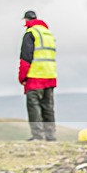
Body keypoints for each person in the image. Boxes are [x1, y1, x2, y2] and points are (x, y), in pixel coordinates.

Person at [18, 10, 57, 141]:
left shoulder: (31, 33)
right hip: (50, 76)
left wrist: (22, 77)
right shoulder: (47, 34)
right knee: (48, 108)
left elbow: (25, 58)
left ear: (26, 21)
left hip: (35, 76)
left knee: (34, 107)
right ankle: (51, 136)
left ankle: (38, 136)